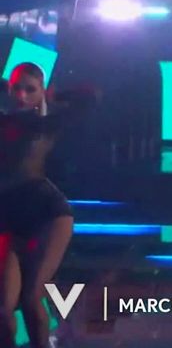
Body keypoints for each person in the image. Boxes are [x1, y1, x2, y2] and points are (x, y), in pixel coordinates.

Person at [0, 62, 96, 348]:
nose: (22, 95)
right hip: (7, 216)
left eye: (30, 89)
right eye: (16, 88)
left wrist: (53, 96)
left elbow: (90, 97)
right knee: (3, 309)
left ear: (42, 91)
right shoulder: (3, 122)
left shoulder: (47, 123)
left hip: (48, 213)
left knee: (31, 298)